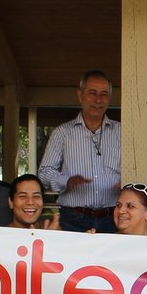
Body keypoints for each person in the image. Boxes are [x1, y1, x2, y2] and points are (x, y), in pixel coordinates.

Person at [39, 70, 121, 234]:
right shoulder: (62, 133)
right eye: (92, 93)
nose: (98, 99)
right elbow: (44, 172)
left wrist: (126, 182)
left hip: (113, 216)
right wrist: (66, 181)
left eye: (104, 94)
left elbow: (136, 167)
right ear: (80, 95)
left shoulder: (122, 131)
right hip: (73, 218)